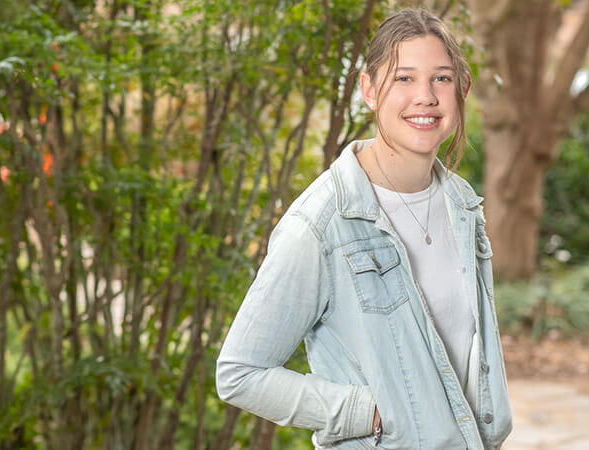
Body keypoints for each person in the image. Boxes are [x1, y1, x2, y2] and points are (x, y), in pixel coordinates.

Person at [215, 8, 512, 449]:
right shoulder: (320, 224)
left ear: (462, 89)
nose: (426, 97)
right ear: (369, 90)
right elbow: (240, 373)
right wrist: (371, 413)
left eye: (442, 78)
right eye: (404, 78)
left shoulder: (461, 202)